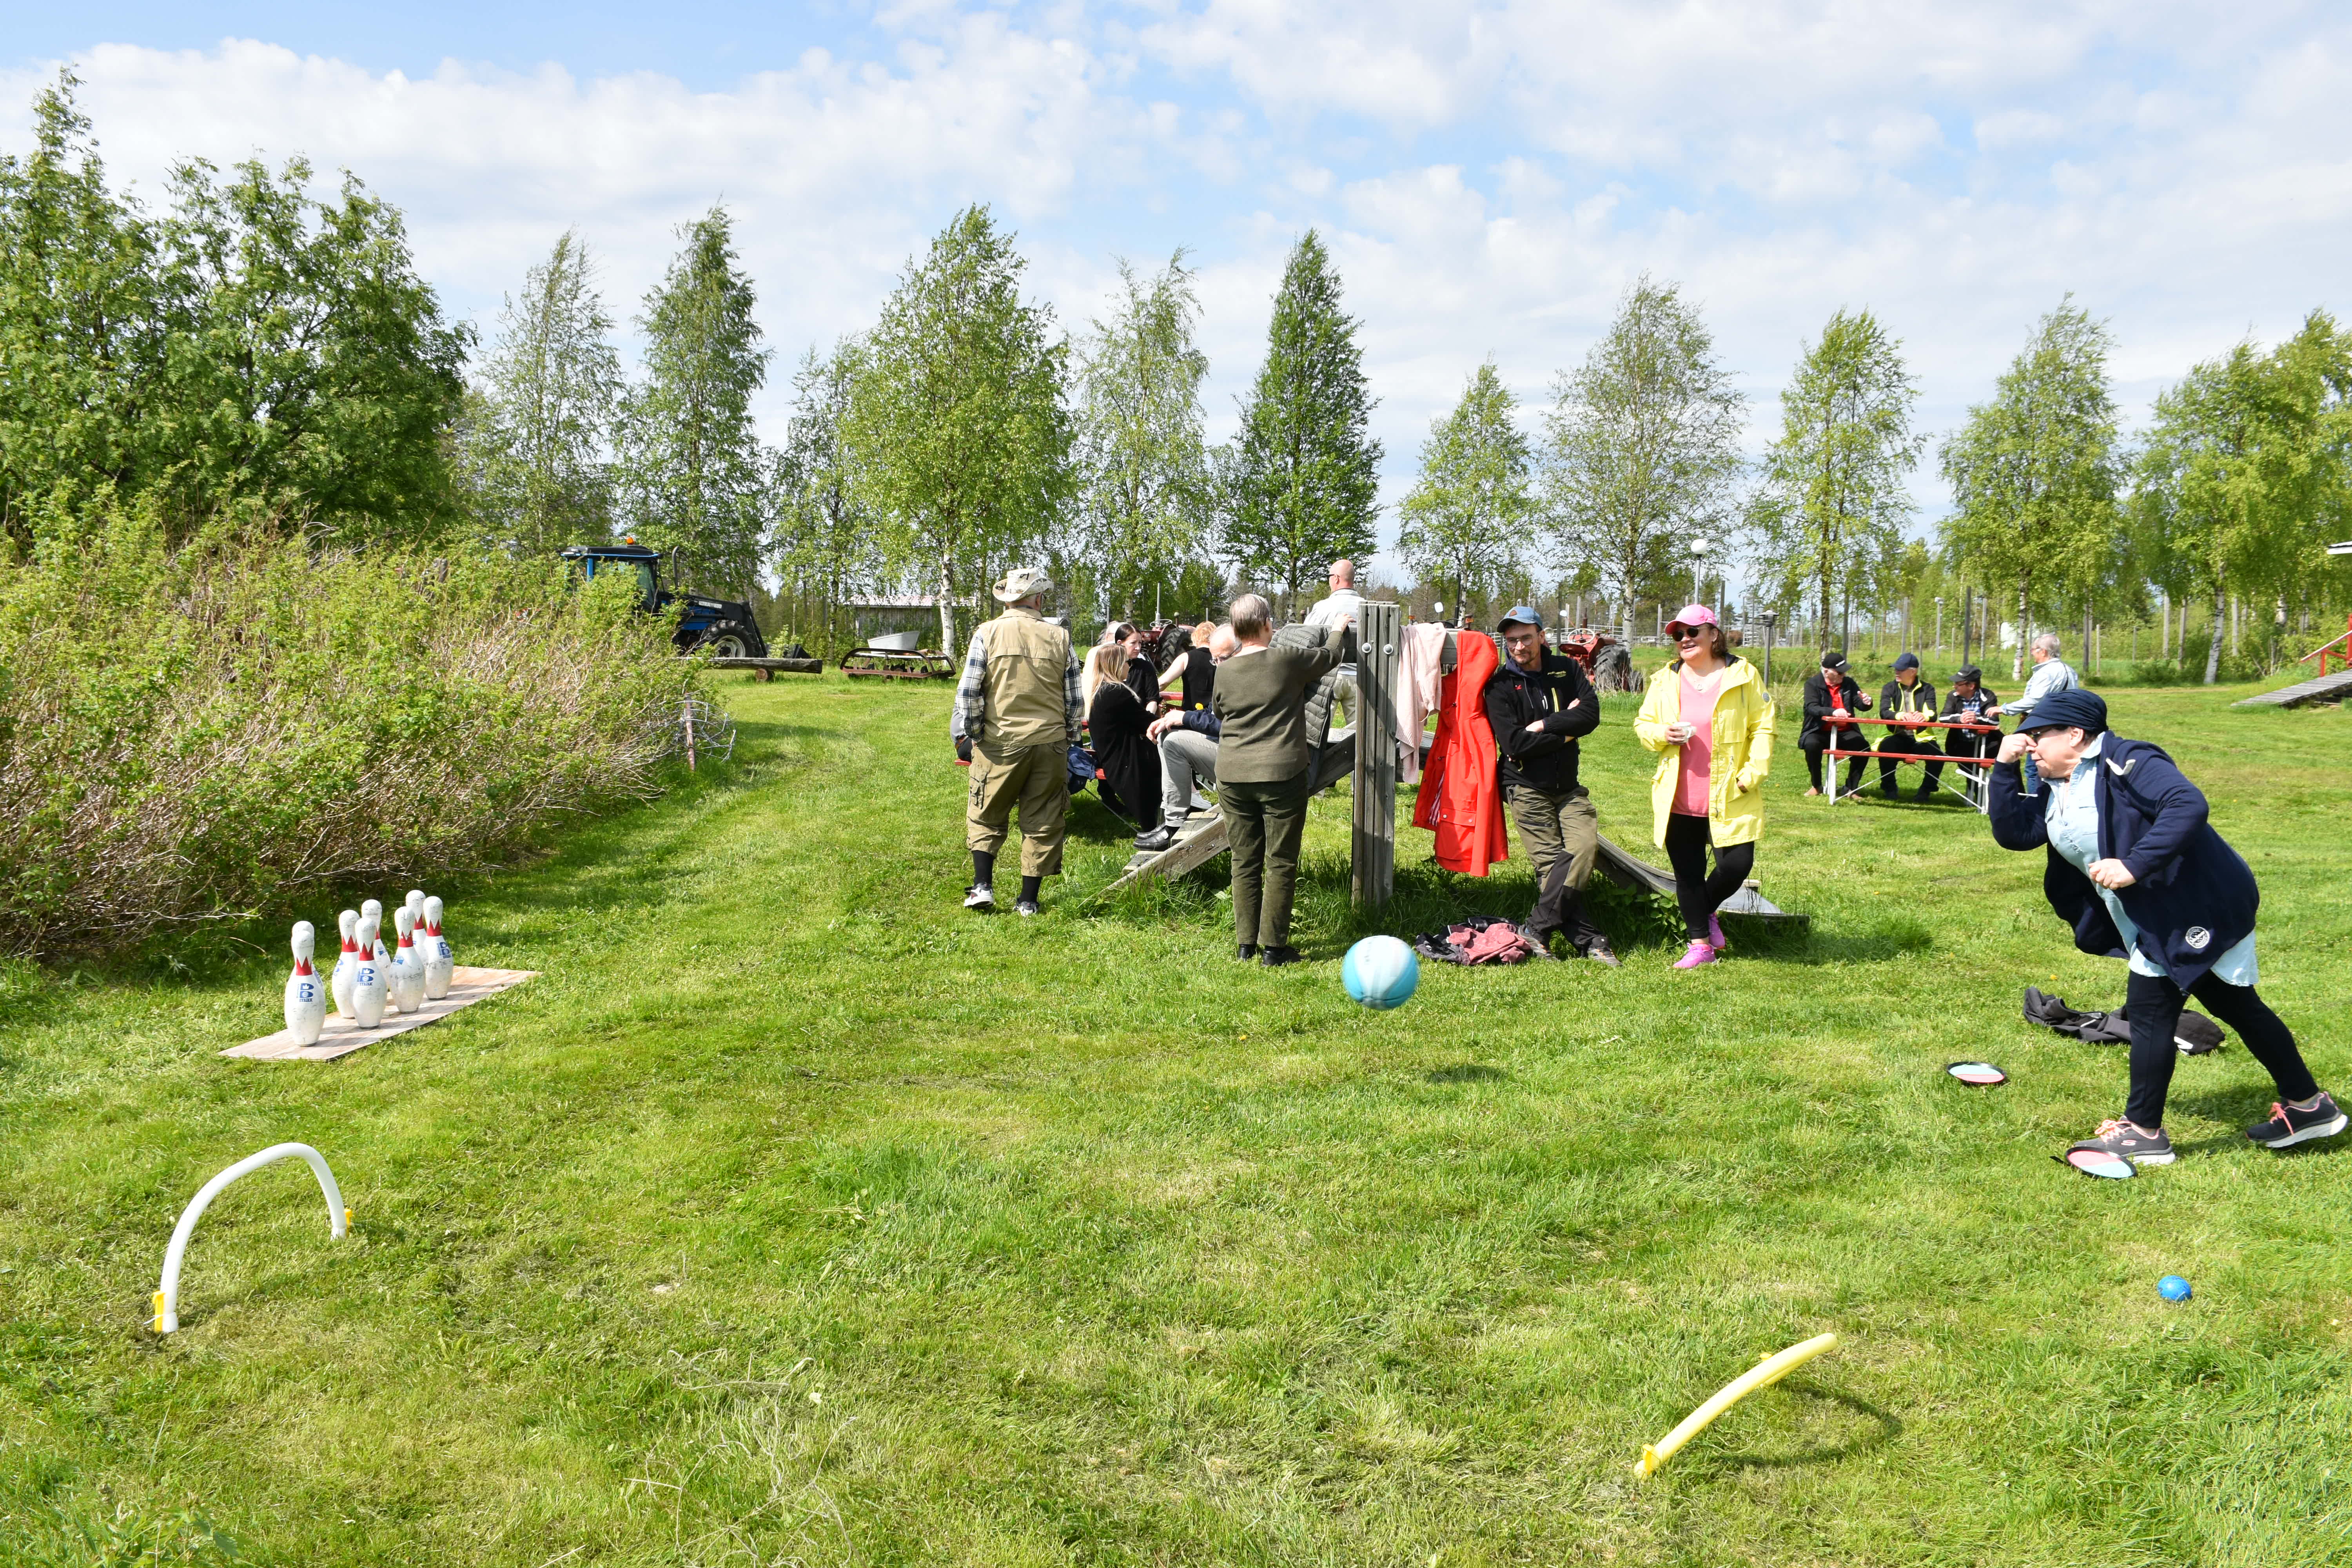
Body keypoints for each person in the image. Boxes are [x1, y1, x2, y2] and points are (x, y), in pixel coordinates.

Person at [1986, 688, 2343, 1166]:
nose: (2029, 744)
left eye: (2036, 735)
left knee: (2150, 1010)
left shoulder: (2128, 758)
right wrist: (2005, 770)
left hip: (2196, 905)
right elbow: (2016, 835)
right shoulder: (2059, 782)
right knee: (2237, 1004)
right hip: (2156, 913)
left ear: (2075, 734)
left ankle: (2143, 1132)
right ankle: (2309, 1106)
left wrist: (2134, 864)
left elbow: (2187, 804)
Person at [1634, 605, 1776, 969]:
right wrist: (1660, 734)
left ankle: (1705, 909)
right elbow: (1644, 724)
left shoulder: (1743, 675)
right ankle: (1700, 946)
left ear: (1714, 634)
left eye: (1692, 632)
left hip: (1731, 790)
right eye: (1678, 635)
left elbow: (1763, 727)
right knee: (1689, 873)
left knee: (1737, 865)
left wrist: (1752, 773)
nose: (1684, 640)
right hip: (1678, 791)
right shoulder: (1665, 679)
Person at [1213, 593, 1349, 965]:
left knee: (1244, 860)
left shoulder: (1223, 670)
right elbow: (1329, 658)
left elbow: (1219, 710)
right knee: (1280, 861)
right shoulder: (1286, 660)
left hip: (1233, 775)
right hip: (1281, 772)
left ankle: (1245, 946)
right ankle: (1273, 948)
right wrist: (1337, 629)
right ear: (1267, 624)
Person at [1481, 605, 1615, 964]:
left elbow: (1591, 714)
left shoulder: (1567, 668)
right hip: (1525, 785)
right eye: (1511, 641)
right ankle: (1590, 940)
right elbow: (1513, 745)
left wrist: (1543, 726)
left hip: (1568, 786)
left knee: (1583, 849)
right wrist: (1566, 733)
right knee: (1552, 863)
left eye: (1526, 637)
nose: (1519, 647)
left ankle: (1536, 928)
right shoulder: (1498, 686)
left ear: (1542, 636)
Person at [951, 567, 1083, 915]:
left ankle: (983, 887)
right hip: (1049, 742)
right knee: (1043, 820)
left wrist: (977, 733)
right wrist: (1070, 738)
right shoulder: (1061, 638)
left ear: (1009, 598)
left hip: (1000, 741)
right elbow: (1074, 699)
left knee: (986, 814)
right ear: (1039, 598)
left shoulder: (987, 633)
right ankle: (1028, 902)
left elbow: (968, 693)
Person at [1144, 623, 1239, 845]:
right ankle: (1175, 817)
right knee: (1168, 735)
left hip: (1236, 753)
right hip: (1216, 736)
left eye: (1222, 659)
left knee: (1171, 740)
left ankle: (1175, 821)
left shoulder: (1188, 658)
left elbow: (1230, 725)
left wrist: (1149, 698)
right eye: (1216, 660)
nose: (1217, 665)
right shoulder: (1229, 673)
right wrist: (1176, 718)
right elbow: (1213, 712)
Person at [1083, 643, 1162, 849]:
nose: (1129, 665)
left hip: (1113, 756)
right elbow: (1145, 720)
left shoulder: (1101, 690)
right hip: (1127, 762)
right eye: (1126, 662)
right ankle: (1160, 827)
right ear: (1116, 665)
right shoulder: (1117, 692)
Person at [1991, 632, 2078, 790]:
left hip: (2044, 725)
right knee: (2058, 766)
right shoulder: (2070, 670)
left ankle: (2035, 804)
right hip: (2065, 724)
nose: (2032, 653)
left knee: (2035, 767)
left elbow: (2035, 700)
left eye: (2033, 650)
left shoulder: (2047, 672)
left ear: (2043, 651)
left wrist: (2004, 709)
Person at [1798, 653, 1871, 797]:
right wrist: (1833, 712)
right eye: (1840, 672)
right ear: (1826, 671)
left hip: (1845, 730)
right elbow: (1812, 707)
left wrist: (1866, 702)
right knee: (1812, 745)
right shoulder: (1812, 684)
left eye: (1845, 671)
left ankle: (1851, 788)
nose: (1843, 675)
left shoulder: (1849, 683)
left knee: (1863, 748)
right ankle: (1817, 785)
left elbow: (1860, 704)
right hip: (1818, 729)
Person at [1304, 559, 1365, 731]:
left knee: (1320, 732)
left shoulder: (1323, 608)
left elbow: (1307, 640)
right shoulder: (1368, 607)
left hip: (1329, 676)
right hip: (1360, 678)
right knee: (1359, 736)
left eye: (1330, 576)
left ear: (1336, 579)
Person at [1873, 653, 1944, 800]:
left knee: (1938, 756)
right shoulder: (1889, 688)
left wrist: (1925, 717)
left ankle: (1926, 791)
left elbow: (1932, 712)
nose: (1897, 672)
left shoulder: (1928, 689)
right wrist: (1900, 716)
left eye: (1901, 669)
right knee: (1886, 749)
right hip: (1894, 735)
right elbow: (1885, 712)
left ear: (1913, 671)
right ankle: (1890, 789)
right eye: (1896, 669)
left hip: (1921, 738)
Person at [1937, 665, 2001, 804]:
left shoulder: (1988, 696)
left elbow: (1994, 721)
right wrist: (1960, 719)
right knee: (1970, 766)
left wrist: (1976, 720)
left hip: (1989, 743)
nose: (1954, 686)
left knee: (2009, 761)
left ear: (1971, 686)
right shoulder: (1952, 696)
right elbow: (1943, 718)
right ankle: (1979, 797)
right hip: (1960, 744)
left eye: (1958, 684)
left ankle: (2016, 796)